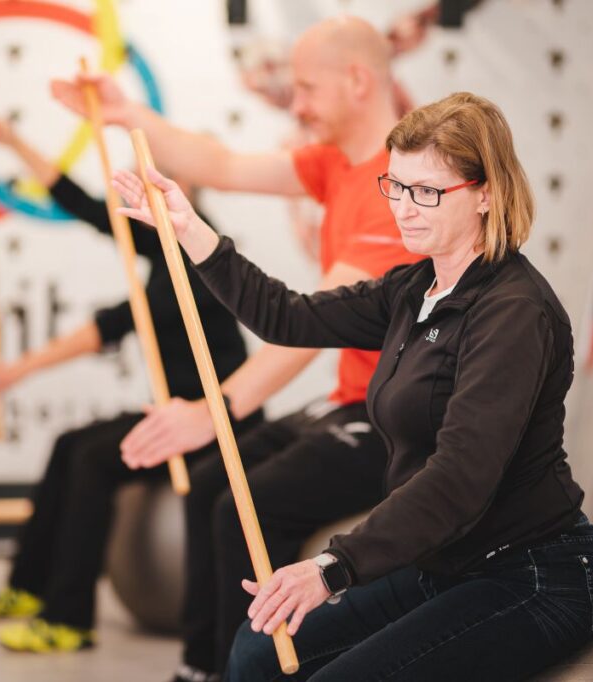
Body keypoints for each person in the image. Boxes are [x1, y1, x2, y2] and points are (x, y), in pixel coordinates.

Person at [112, 91, 593, 681]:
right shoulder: (416, 288)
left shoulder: (513, 313)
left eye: (427, 192)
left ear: (486, 193)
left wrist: (331, 567)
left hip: (529, 573)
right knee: (256, 653)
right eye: (395, 186)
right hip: (442, 560)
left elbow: (459, 480)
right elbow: (289, 316)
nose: (404, 208)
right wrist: (190, 230)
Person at [53, 17, 425, 681]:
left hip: (400, 422)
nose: (297, 104)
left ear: (360, 81)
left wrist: (212, 410)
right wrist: (124, 112)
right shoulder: (334, 162)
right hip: (350, 402)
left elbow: (308, 326)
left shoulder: (394, 191)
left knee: (245, 505)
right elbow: (217, 165)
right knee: (206, 489)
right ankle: (206, 666)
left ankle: (263, 669)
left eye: (307, 88)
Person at [0, 118, 260, 653]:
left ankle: (69, 619)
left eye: (164, 182)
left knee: (93, 458)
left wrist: (19, 370)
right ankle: (27, 589)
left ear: (187, 189)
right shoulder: (162, 239)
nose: (150, 192)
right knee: (70, 444)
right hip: (178, 412)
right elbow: (84, 206)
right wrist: (13, 141)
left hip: (220, 424)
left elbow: (112, 325)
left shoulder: (195, 254)